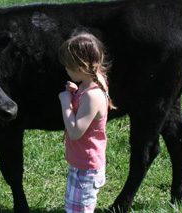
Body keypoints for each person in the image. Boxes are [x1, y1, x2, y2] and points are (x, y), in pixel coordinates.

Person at [58, 32, 116, 213]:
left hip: (85, 169)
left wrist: (65, 100)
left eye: (68, 67)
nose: (66, 70)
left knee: (79, 210)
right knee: (74, 207)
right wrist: (76, 91)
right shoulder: (94, 80)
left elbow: (75, 132)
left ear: (82, 67)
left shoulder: (92, 95)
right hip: (82, 162)